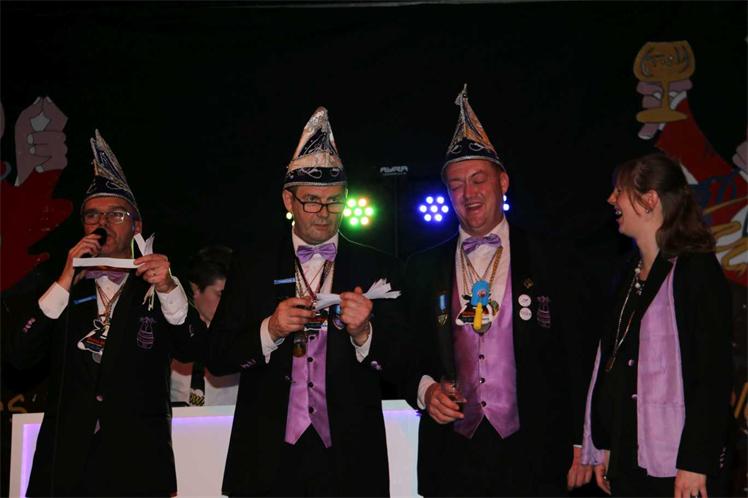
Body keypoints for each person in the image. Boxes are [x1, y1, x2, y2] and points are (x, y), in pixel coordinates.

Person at [405, 85, 595, 496]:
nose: (469, 194)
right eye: (457, 185)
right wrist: (425, 389)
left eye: (479, 180)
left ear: (503, 182)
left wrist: (583, 441)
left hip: (535, 450)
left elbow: (578, 352)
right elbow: (403, 351)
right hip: (452, 453)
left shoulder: (551, 259)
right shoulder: (421, 268)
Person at [208, 107, 406, 497]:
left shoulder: (378, 267)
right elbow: (216, 358)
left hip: (350, 459)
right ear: (289, 200)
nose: (324, 214)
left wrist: (365, 334)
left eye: (335, 202)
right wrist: (270, 330)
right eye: (312, 201)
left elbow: (404, 362)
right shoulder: (253, 266)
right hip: (267, 459)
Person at [9, 130, 206, 497]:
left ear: (136, 226)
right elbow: (20, 356)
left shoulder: (155, 287)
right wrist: (65, 280)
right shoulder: (65, 290)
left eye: (116, 213)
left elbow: (193, 348)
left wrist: (169, 288)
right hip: (65, 465)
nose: (103, 222)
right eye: (92, 215)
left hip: (137, 463)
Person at [581, 153, 734, 498]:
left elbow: (712, 373)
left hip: (679, 465)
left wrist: (696, 462)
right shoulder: (629, 274)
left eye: (619, 191)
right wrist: (606, 445)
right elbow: (616, 366)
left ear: (649, 200)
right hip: (629, 460)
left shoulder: (696, 270)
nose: (611, 200)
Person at [171, 245, 240, 406]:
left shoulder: (244, 335)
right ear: (195, 289)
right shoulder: (173, 329)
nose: (230, 302)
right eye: (221, 294)